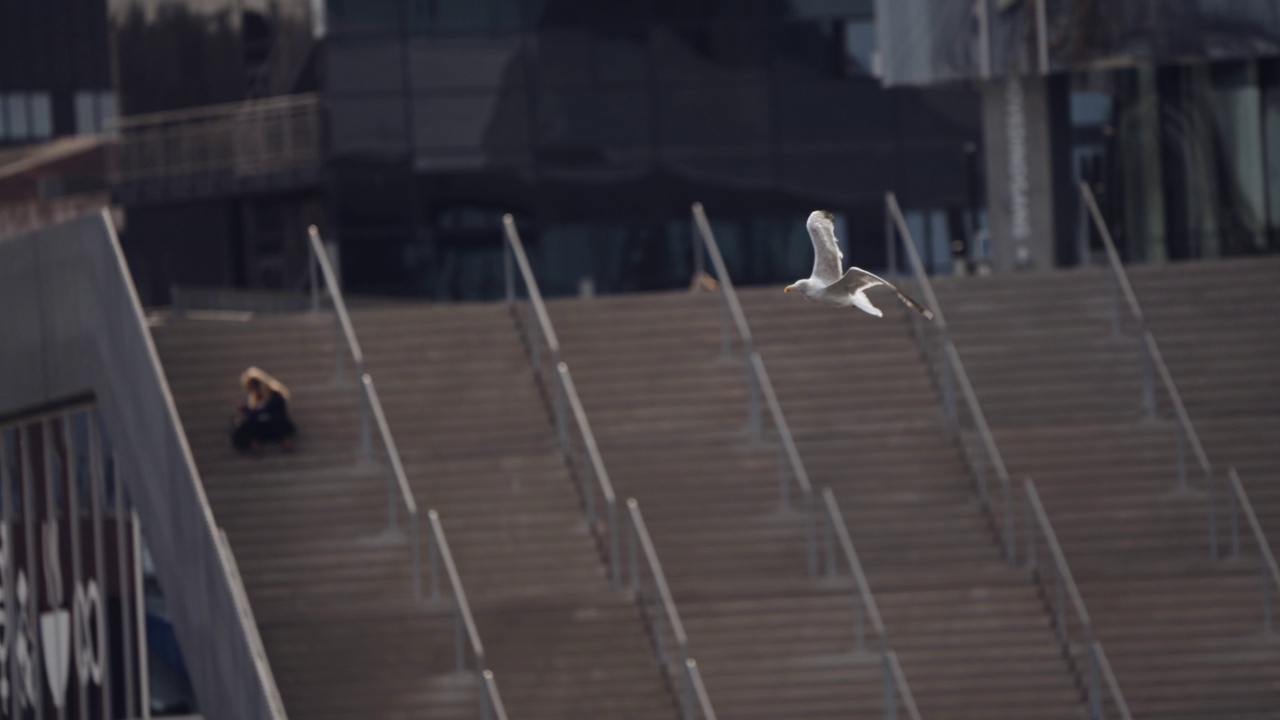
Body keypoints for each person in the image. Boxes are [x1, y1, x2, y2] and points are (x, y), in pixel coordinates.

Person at [231, 367, 297, 454]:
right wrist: (246, 410)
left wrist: (249, 410)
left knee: (276, 419)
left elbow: (271, 410)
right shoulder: (255, 398)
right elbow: (256, 413)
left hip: (276, 424)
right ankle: (254, 443)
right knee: (242, 424)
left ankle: (285, 441)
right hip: (263, 427)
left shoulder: (275, 394)